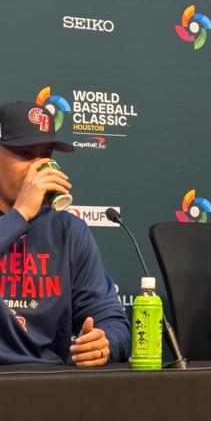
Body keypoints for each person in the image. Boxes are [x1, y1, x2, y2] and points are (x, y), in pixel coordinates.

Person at [0, 101, 130, 365]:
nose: (37, 170)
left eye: (45, 156)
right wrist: (20, 214)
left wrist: (103, 343)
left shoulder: (68, 230)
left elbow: (110, 319)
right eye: (25, 154)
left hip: (49, 385)